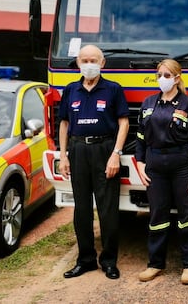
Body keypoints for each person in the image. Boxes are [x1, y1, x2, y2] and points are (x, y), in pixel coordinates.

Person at [58, 44, 129, 280]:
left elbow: (123, 123)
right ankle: (85, 260)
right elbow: (64, 124)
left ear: (103, 63)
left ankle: (109, 261)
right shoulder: (70, 90)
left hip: (105, 149)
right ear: (78, 63)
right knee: (82, 210)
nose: (89, 64)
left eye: (93, 60)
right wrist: (63, 155)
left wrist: (116, 154)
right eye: (84, 60)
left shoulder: (113, 89)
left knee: (108, 210)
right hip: (78, 150)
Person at [134, 59, 188, 285]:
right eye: (159, 75)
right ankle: (155, 263)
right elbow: (140, 139)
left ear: (177, 78)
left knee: (187, 217)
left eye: (167, 75)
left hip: (182, 166)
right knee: (157, 217)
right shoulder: (148, 103)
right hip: (155, 166)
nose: (162, 79)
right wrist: (139, 164)